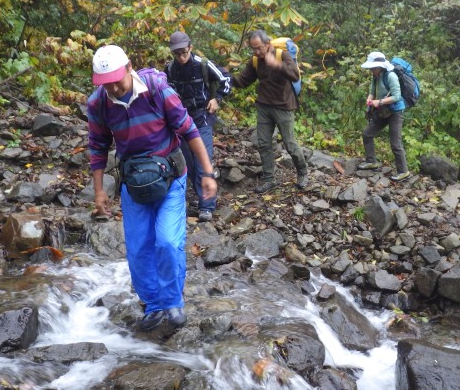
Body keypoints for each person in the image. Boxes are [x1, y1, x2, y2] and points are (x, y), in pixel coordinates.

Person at [87, 44, 217, 332]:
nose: (112, 89)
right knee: (138, 248)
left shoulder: (157, 89)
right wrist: (99, 191)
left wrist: (207, 172)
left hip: (171, 176)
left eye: (116, 81)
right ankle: (152, 305)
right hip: (133, 182)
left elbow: (189, 129)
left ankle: (172, 302)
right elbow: (97, 147)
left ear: (129, 67)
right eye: (104, 84)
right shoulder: (98, 103)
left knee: (167, 242)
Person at [230, 29, 308, 193]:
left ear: (268, 44)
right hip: (264, 106)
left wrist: (277, 65)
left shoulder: (282, 56)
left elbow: (295, 75)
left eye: (259, 48)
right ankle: (269, 179)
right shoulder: (255, 60)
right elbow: (243, 81)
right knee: (264, 143)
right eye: (253, 49)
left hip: (284, 107)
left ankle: (302, 173)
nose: (256, 52)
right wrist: (223, 76)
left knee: (290, 144)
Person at [164, 31, 230, 222]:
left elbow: (226, 80)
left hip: (202, 119)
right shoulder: (170, 69)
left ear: (190, 48)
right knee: (188, 164)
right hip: (181, 121)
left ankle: (207, 206)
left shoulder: (202, 64)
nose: (181, 57)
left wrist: (217, 99)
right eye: (177, 54)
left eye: (184, 53)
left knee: (203, 162)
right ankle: (202, 194)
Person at [358, 51, 411, 182]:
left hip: (395, 112)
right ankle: (372, 162)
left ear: (379, 66)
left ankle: (403, 172)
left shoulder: (391, 76)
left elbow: (397, 96)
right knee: (367, 134)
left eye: (372, 68)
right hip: (382, 111)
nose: (371, 70)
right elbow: (372, 92)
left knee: (395, 143)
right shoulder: (376, 76)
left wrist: (379, 102)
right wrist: (370, 99)